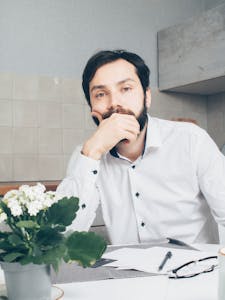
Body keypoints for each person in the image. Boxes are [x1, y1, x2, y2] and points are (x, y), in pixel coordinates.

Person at [57, 49, 225, 245]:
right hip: (127, 275)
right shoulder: (87, 156)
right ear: (92, 107)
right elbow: (62, 238)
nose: (115, 103)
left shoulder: (191, 140)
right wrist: (92, 152)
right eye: (101, 94)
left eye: (126, 89)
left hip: (196, 271)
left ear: (147, 97)